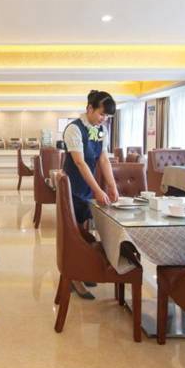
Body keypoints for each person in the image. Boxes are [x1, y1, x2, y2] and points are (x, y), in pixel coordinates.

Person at [62, 90, 119, 299]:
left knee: (85, 234)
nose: (104, 119)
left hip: (86, 188)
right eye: (101, 114)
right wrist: (98, 189)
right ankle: (74, 278)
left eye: (107, 116)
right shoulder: (74, 129)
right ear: (89, 109)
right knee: (74, 235)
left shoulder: (101, 130)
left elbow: (103, 159)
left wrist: (112, 185)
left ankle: (82, 270)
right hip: (72, 188)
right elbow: (80, 162)